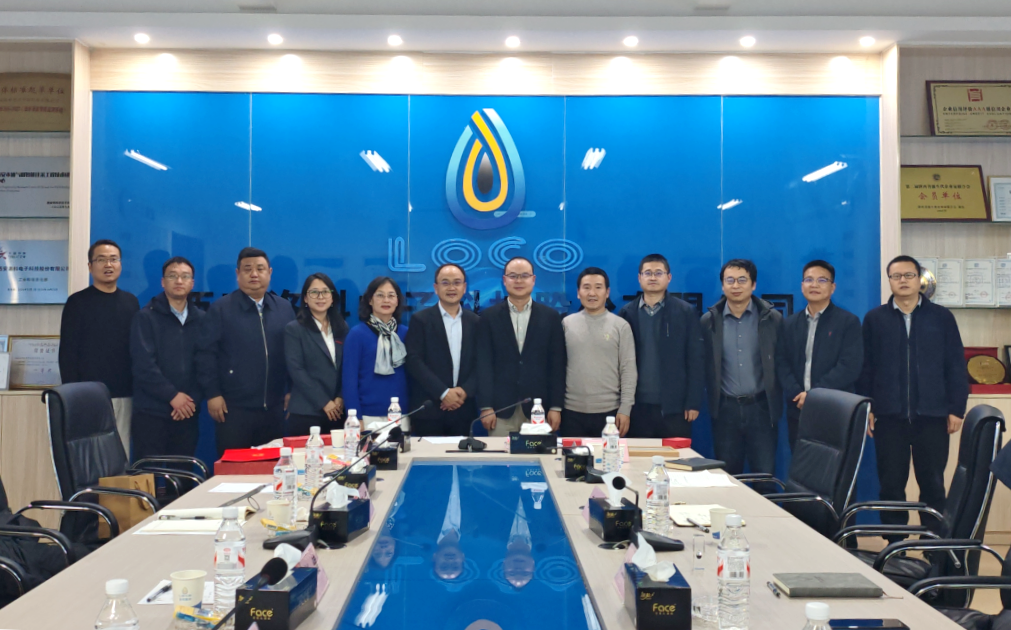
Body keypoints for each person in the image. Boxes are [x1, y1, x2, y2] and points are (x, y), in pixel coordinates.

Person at [858, 255, 968, 538]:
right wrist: (867, 405)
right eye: (896, 276)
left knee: (933, 484)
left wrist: (956, 408)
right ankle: (894, 544)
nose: (903, 281)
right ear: (889, 281)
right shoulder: (875, 319)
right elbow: (866, 367)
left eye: (909, 275)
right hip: (889, 416)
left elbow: (955, 364)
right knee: (891, 485)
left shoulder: (941, 317)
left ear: (920, 280)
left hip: (932, 416)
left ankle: (933, 544)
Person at [196, 247, 295, 457]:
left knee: (271, 467)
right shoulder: (221, 309)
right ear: (237, 273)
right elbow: (206, 355)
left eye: (260, 269)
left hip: (274, 408)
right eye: (247, 269)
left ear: (270, 272)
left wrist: (292, 389)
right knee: (234, 468)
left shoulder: (284, 308)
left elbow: (293, 353)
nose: (254, 274)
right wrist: (213, 394)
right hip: (234, 409)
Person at [700, 259, 783, 477]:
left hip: (761, 408)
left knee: (765, 476)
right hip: (725, 410)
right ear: (722, 285)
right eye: (730, 280)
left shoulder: (772, 319)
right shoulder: (709, 322)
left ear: (753, 285)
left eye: (742, 280)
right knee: (728, 477)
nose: (735, 286)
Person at [59, 239, 140, 455]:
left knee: (121, 452)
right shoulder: (77, 302)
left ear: (120, 264)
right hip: (88, 395)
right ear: (90, 266)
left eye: (113, 259)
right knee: (91, 454)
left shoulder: (131, 302)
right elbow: (67, 353)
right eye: (101, 260)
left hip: (124, 393)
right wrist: (73, 394)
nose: (108, 265)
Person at [775, 260, 863, 451]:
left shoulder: (848, 322)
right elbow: (781, 363)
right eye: (809, 280)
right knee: (802, 464)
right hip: (798, 410)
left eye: (822, 280)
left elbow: (849, 366)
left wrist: (814, 395)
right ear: (802, 286)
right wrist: (797, 394)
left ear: (833, 287)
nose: (814, 285)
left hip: (835, 409)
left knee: (836, 466)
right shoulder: (789, 324)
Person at [617, 254, 704, 438]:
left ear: (669, 277)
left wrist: (693, 402)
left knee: (676, 456)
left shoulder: (685, 312)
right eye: (647, 273)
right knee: (639, 456)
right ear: (639, 278)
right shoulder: (627, 313)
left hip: (675, 408)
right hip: (637, 407)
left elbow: (695, 359)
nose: (653, 277)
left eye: (658, 273)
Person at [477, 257, 566, 435]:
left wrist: (556, 407)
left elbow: (557, 365)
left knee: (539, 453)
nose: (518, 281)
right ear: (504, 280)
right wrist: (486, 406)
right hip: (500, 410)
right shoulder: (488, 317)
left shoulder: (550, 317)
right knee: (500, 453)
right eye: (513, 276)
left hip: (539, 409)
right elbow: (483, 364)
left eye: (524, 276)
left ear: (533, 279)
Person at [129, 256, 205, 461]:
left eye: (185, 276)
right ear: (163, 282)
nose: (179, 281)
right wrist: (173, 396)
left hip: (187, 412)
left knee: (182, 474)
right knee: (148, 473)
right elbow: (144, 365)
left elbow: (205, 365)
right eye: (173, 276)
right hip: (151, 413)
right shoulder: (146, 317)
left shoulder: (202, 319)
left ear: (192, 283)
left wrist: (190, 401)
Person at [405, 263, 480, 437]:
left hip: (463, 410)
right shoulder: (420, 320)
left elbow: (482, 362)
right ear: (436, 288)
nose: (451, 288)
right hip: (429, 409)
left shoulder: (476, 322)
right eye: (445, 283)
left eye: (457, 282)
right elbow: (414, 361)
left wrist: (464, 391)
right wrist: (443, 393)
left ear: (464, 287)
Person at [562, 267, 637, 437]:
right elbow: (557, 368)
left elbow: (628, 370)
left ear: (607, 292)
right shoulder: (566, 324)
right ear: (578, 293)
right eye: (586, 287)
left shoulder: (621, 326)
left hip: (610, 413)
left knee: (608, 455)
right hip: (571, 412)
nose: (592, 293)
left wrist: (625, 409)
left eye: (598, 287)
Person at [284, 272, 350, 438]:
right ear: (305, 298)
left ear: (332, 297)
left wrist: (340, 398)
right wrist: (324, 402)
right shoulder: (294, 329)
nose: (320, 297)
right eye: (314, 292)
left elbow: (348, 366)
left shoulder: (342, 327)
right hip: (306, 412)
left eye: (325, 292)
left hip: (337, 411)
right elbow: (297, 370)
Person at [343, 276, 409, 431]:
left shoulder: (406, 333)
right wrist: (355, 417)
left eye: (391, 295)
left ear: (397, 301)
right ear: (370, 300)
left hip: (402, 414)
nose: (386, 300)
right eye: (380, 295)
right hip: (367, 415)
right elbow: (349, 380)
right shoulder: (357, 334)